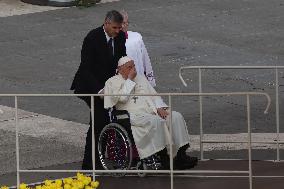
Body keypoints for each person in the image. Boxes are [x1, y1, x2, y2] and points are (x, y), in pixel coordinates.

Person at [104, 56, 198, 169]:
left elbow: (153, 95)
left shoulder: (140, 78)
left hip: (151, 111)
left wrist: (159, 107)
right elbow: (122, 98)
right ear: (120, 69)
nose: (133, 69)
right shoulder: (112, 82)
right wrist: (129, 80)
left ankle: (181, 155)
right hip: (132, 115)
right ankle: (165, 158)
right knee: (157, 121)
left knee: (175, 116)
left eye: (134, 66)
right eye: (129, 67)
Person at [70, 10, 127, 170]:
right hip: (90, 85)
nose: (118, 31)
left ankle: (98, 159)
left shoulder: (120, 36)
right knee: (99, 119)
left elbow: (121, 60)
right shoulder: (92, 38)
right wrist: (99, 90)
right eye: (115, 28)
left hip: (108, 85)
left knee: (102, 121)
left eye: (119, 28)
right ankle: (89, 163)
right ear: (106, 23)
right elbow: (86, 69)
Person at [120, 10, 156, 87]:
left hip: (138, 77)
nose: (124, 25)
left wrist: (150, 81)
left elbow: (145, 59)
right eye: (122, 23)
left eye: (126, 22)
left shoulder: (136, 38)